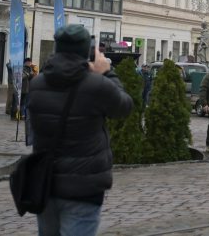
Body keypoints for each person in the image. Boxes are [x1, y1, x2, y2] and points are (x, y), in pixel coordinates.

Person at [27, 24, 133, 235]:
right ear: (87, 50)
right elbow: (124, 107)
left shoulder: (37, 83)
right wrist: (108, 72)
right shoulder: (96, 85)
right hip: (83, 186)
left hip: (46, 182)